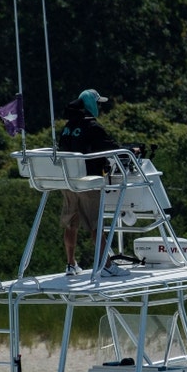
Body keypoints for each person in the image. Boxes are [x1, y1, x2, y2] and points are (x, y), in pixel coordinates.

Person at [58, 88, 128, 278]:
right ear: (90, 105)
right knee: (96, 224)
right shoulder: (92, 126)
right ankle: (105, 265)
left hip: (68, 182)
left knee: (71, 223)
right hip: (88, 182)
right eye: (97, 103)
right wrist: (131, 150)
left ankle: (71, 264)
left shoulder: (68, 127)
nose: (98, 107)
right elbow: (111, 147)